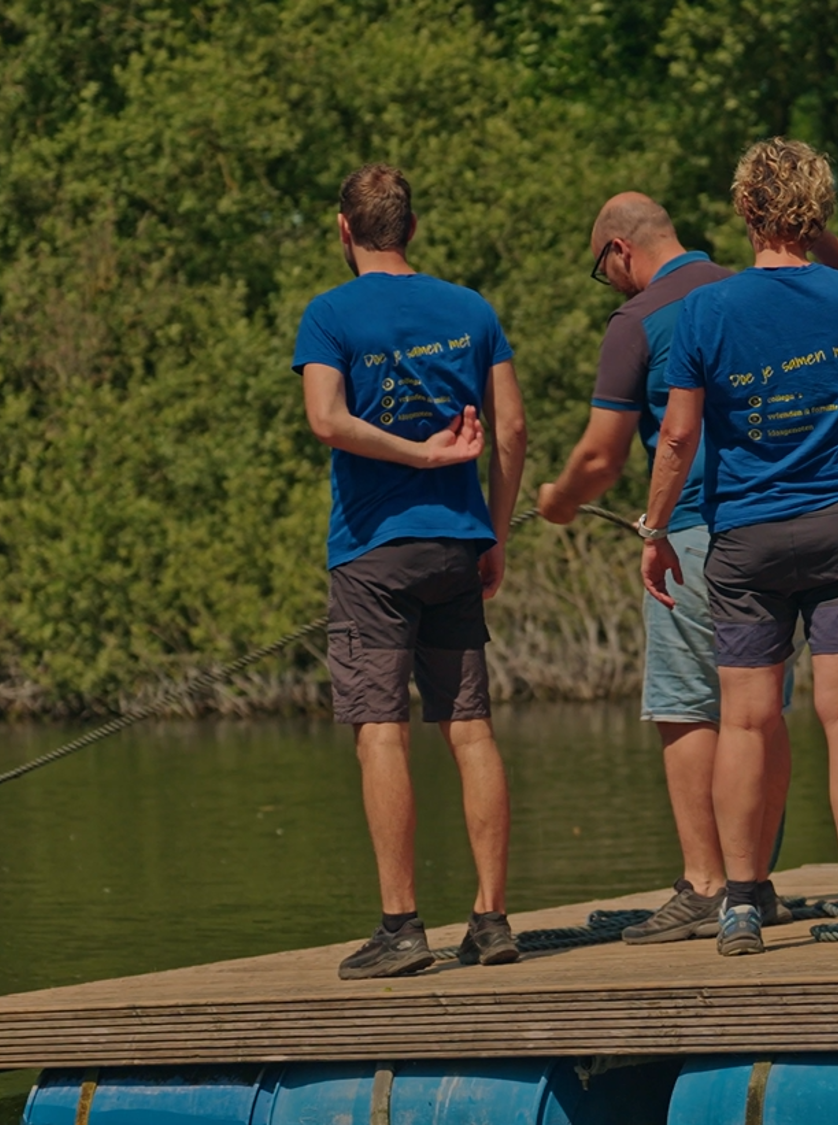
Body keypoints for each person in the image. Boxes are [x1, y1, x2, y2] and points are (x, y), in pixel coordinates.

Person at [642, 137, 838, 955]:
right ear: (818, 213)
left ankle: (743, 904)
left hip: (748, 537)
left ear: (743, 211)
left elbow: (678, 436)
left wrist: (654, 530)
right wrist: (820, 233)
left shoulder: (703, 310)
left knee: (748, 722)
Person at [536, 194, 794, 943]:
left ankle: (709, 882)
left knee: (687, 705)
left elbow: (601, 453)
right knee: (760, 707)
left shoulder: (637, 320)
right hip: (776, 525)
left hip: (690, 532)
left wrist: (558, 500)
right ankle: (755, 881)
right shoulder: (749, 290)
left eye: (602, 269)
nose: (609, 283)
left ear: (620, 250)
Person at [293, 164, 528, 978]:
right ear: (412, 228)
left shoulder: (328, 316)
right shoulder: (470, 310)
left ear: (344, 230)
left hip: (371, 553)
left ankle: (401, 927)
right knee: (469, 728)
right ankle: (491, 919)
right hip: (456, 545)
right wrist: (492, 531)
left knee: (380, 730)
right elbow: (514, 429)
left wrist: (416, 454)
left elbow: (326, 419)